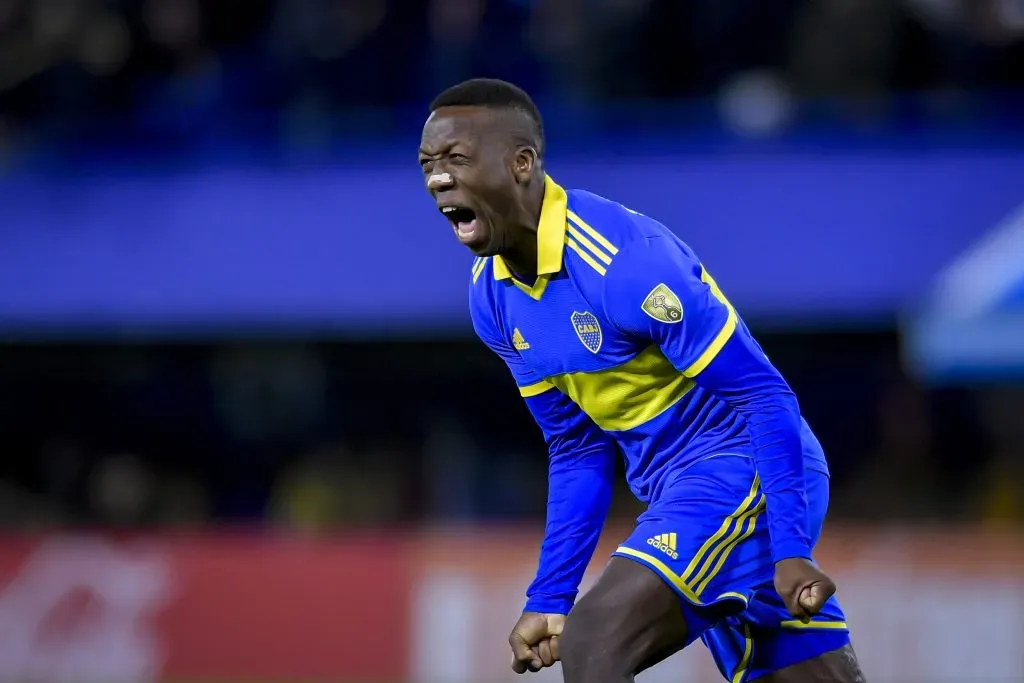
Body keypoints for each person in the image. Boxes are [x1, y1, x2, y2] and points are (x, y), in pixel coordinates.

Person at [418, 78, 866, 683]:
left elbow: (764, 396)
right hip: (680, 495)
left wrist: (791, 548)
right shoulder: (491, 298)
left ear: (521, 164)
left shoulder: (627, 264)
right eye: (428, 165)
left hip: (747, 473)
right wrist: (549, 597)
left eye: (456, 160)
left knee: (596, 641)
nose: (438, 179)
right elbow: (576, 447)